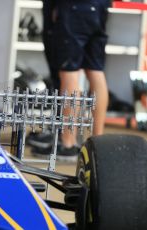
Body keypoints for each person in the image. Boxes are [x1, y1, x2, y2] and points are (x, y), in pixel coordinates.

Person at [29, 0, 110, 160]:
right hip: (100, 6)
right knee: (95, 71)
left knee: (69, 72)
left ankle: (68, 143)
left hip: (73, 7)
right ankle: (98, 143)